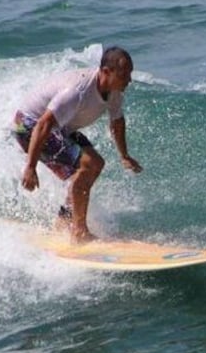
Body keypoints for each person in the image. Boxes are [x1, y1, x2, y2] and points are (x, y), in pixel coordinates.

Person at [11, 46, 142, 243]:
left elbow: (117, 121)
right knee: (88, 164)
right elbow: (43, 124)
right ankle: (79, 231)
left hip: (59, 128)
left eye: (130, 74)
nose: (129, 80)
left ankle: (64, 221)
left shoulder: (114, 92)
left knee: (96, 164)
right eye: (125, 74)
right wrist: (30, 167)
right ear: (106, 72)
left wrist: (124, 155)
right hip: (29, 126)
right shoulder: (77, 91)